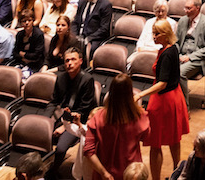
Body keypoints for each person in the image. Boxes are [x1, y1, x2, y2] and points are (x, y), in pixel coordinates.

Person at [138, 19, 190, 180]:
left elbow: (162, 83)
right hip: (175, 97)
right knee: (174, 138)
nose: (154, 37)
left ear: (167, 35)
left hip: (164, 100)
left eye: (158, 34)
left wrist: (140, 94)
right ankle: (177, 171)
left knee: (156, 142)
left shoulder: (167, 53)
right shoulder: (171, 48)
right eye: (154, 33)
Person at [84, 74, 153, 180]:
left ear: (111, 93)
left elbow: (88, 151)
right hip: (130, 174)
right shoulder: (140, 116)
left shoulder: (98, 117)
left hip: (104, 174)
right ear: (130, 93)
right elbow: (146, 137)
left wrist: (104, 173)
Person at [47, 47, 98, 180]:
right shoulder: (61, 78)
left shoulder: (87, 80)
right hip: (63, 116)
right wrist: (45, 121)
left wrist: (64, 127)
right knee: (39, 133)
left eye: (73, 60)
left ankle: (51, 173)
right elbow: (54, 101)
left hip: (79, 122)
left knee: (60, 149)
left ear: (80, 61)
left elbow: (84, 109)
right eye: (67, 60)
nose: (69, 63)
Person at [175, 0, 205, 99]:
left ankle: (184, 107)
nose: (185, 11)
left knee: (179, 73)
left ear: (197, 8)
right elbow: (175, 41)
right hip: (180, 57)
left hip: (196, 60)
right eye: (185, 8)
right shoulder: (182, 21)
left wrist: (189, 57)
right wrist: (177, 55)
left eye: (189, 8)